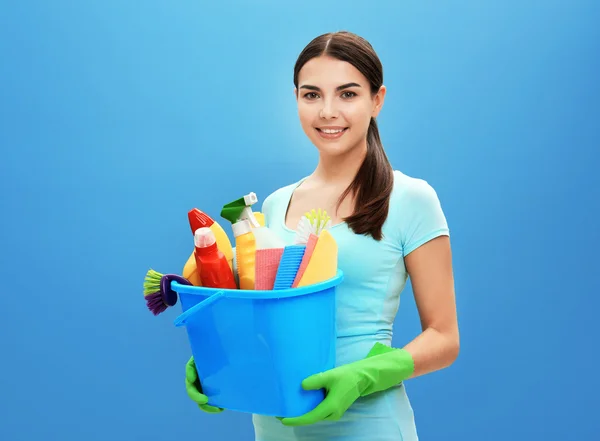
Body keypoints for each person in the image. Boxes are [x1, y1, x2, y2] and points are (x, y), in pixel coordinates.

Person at [184, 30, 460, 441]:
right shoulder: (275, 206)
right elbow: (266, 319)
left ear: (377, 100)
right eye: (311, 95)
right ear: (295, 98)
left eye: (347, 94)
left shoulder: (410, 199)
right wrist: (216, 357)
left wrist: (366, 375)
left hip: (367, 425)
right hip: (275, 425)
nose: (327, 111)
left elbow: (444, 337)